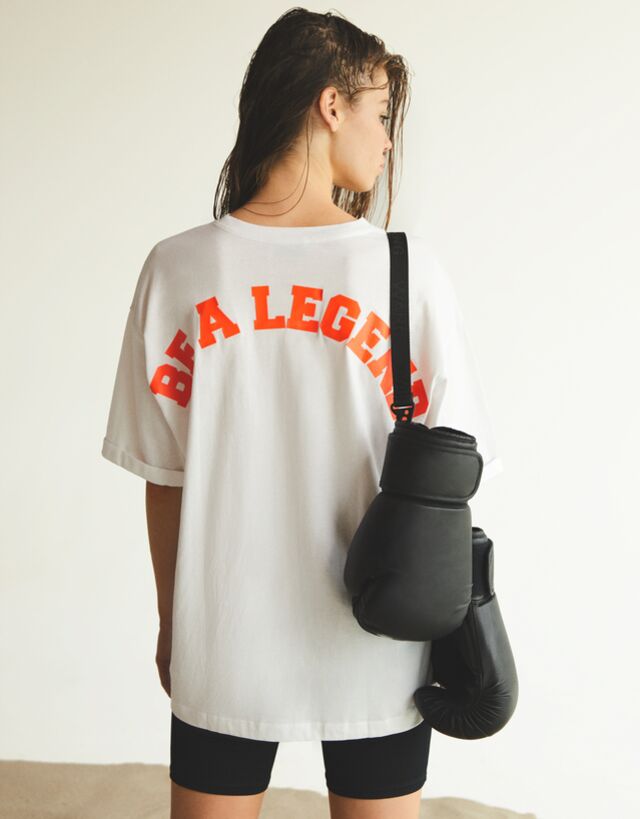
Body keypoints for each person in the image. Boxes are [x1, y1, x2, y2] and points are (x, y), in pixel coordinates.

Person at [101, 8, 504, 819]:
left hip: (225, 634)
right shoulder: (407, 271)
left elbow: (165, 478)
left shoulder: (178, 267)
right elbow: (455, 468)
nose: (386, 141)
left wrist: (174, 623)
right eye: (380, 114)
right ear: (331, 105)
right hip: (380, 635)